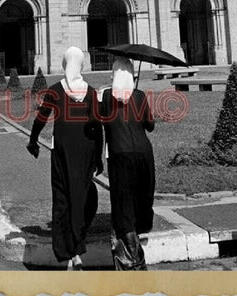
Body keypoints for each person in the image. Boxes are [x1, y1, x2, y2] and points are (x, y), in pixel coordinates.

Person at [27, 46, 103, 270]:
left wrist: (33, 141)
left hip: (62, 151)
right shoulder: (90, 92)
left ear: (64, 64)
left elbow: (41, 118)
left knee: (62, 199)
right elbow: (97, 126)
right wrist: (98, 157)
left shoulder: (54, 91)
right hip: (86, 151)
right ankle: (78, 251)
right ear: (80, 64)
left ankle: (66, 252)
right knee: (82, 197)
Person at [98, 57, 155, 270]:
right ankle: (133, 253)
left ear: (114, 75)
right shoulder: (139, 96)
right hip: (143, 154)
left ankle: (134, 261)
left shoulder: (105, 97)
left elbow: (100, 121)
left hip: (120, 155)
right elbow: (150, 125)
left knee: (123, 205)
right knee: (140, 199)